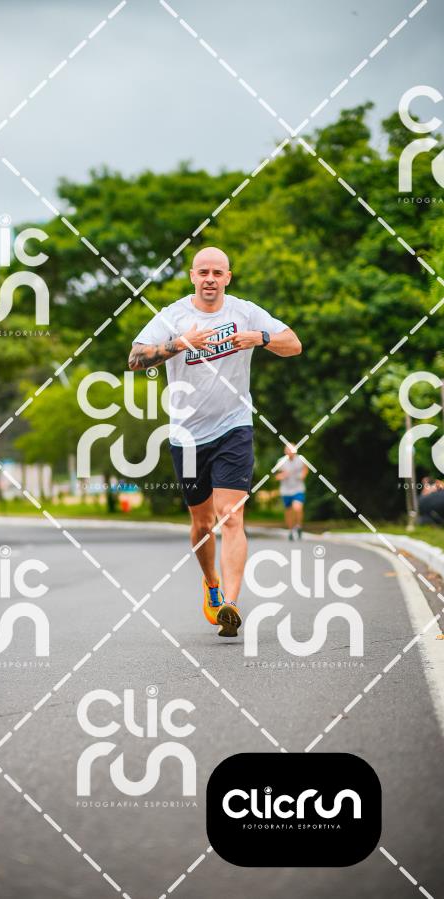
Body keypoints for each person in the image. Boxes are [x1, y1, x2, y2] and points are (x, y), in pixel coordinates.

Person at [128, 246, 302, 637]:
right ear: (193, 276)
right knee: (203, 524)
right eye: (203, 272)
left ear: (228, 277)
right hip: (187, 435)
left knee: (232, 516)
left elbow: (293, 344)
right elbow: (135, 358)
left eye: (217, 273)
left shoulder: (245, 311)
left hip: (234, 426)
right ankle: (212, 585)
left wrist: (261, 338)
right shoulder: (173, 316)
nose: (210, 279)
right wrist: (179, 344)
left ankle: (231, 605)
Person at [275, 444, 308, 540]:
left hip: (298, 489)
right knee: (288, 511)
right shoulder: (281, 461)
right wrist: (282, 475)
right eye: (287, 450)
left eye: (291, 449)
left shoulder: (301, 459)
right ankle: (291, 530)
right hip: (286, 490)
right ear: (285, 451)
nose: (289, 451)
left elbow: (305, 468)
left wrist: (303, 475)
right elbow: (276, 476)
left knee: (297, 508)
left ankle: (299, 526)